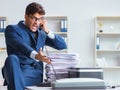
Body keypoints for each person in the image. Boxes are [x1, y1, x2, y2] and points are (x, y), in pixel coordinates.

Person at [2, 2, 67, 90]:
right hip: (16, 70)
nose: (36, 22)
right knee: (12, 58)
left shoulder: (42, 33)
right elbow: (21, 46)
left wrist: (47, 31)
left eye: (39, 19)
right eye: (33, 18)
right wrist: (36, 55)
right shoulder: (12, 29)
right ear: (26, 16)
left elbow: (62, 45)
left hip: (34, 74)